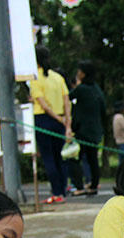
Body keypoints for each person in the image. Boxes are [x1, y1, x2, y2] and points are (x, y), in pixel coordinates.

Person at [30, 46, 72, 204]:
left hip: (43, 120)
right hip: (59, 121)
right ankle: (63, 190)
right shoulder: (58, 77)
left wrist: (58, 119)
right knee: (61, 157)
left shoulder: (35, 79)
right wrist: (66, 122)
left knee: (48, 158)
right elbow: (67, 101)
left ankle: (56, 192)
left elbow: (44, 106)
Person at [69, 60, 107, 196]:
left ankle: (79, 186)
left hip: (82, 131)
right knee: (93, 159)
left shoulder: (81, 89)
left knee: (74, 159)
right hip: (95, 131)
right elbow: (103, 110)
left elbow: (68, 97)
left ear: (83, 73)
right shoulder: (97, 90)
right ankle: (93, 185)